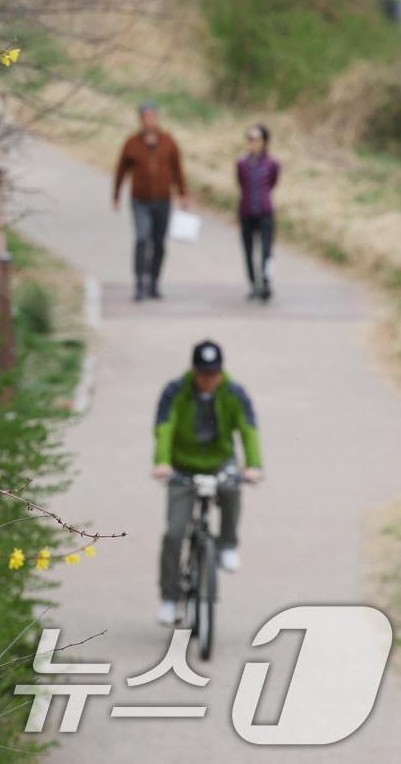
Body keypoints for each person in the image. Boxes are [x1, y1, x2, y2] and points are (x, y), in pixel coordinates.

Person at [151, 339, 264, 626]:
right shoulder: (176, 390)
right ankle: (169, 597)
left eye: (213, 373)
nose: (208, 379)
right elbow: (165, 426)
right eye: (203, 373)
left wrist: (253, 466)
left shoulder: (234, 392)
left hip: (219, 462)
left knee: (231, 488)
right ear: (194, 370)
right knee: (174, 534)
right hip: (182, 467)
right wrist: (162, 462)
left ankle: (227, 544)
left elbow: (248, 428)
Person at [113, 102, 191, 302]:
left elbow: (178, 169)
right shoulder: (132, 143)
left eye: (153, 117)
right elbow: (121, 169)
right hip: (140, 200)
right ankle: (139, 282)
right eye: (146, 117)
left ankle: (154, 281)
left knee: (159, 242)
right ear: (140, 120)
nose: (150, 121)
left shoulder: (168, 141)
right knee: (141, 238)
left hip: (163, 200)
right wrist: (116, 194)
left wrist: (183, 194)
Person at [237, 124, 280, 301]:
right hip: (246, 212)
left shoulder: (272, 163)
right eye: (250, 139)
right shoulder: (241, 164)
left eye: (256, 139)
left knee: (266, 251)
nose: (252, 143)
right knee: (248, 250)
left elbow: (273, 182)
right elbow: (241, 183)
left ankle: (266, 282)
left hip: (265, 212)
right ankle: (254, 283)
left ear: (264, 142)